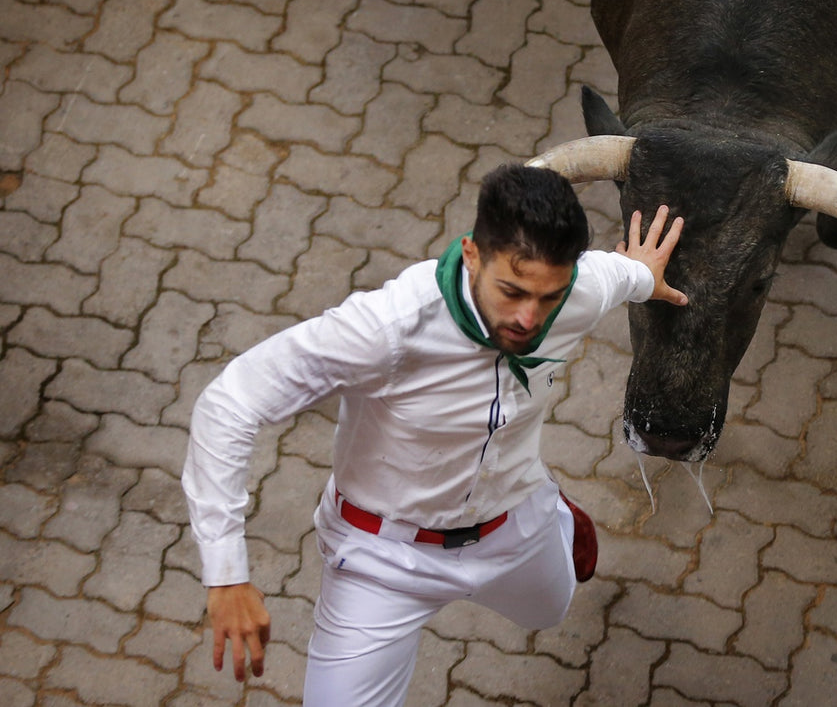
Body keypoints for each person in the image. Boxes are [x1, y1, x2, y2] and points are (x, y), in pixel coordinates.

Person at [181, 163, 688, 705]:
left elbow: (614, 276)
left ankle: (555, 513)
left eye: (548, 297)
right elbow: (230, 403)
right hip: (385, 559)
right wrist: (226, 574)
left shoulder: (575, 291)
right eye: (512, 290)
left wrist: (643, 276)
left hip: (513, 523)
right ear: (472, 253)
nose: (528, 317)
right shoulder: (387, 329)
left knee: (551, 608)